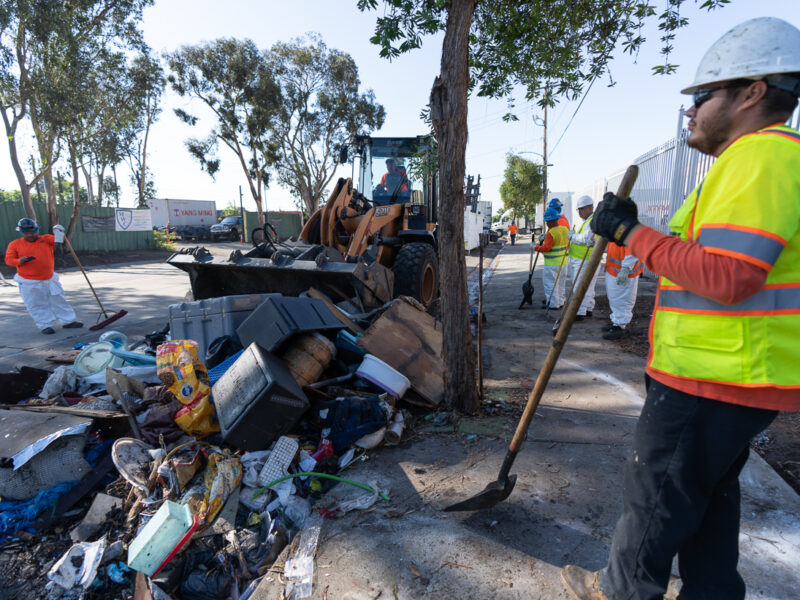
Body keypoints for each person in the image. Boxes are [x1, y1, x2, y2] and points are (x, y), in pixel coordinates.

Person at [562, 17, 800, 600]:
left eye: (701, 95)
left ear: (752, 92)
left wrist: (627, 231)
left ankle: (618, 592)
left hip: (712, 376)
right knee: (708, 501)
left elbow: (728, 275)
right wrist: (631, 233)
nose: (690, 110)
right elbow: (710, 259)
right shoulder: (755, 162)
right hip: (732, 374)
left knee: (656, 501)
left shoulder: (764, 158)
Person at [5, 218, 83, 334]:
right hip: (28, 281)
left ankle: (68, 321)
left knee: (59, 300)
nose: (30, 235)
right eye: (27, 233)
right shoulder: (15, 244)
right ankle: (45, 325)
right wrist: (19, 261)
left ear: (37, 230)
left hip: (49, 278)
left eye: (33, 232)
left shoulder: (45, 239)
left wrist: (58, 230)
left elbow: (59, 239)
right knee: (36, 304)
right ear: (22, 233)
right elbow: (8, 260)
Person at [602, 242, 643, 340]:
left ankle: (620, 325)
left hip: (624, 270)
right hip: (614, 269)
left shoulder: (627, 229)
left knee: (623, 298)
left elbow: (633, 248)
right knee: (614, 297)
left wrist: (626, 268)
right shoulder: (617, 228)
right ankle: (616, 321)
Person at [566, 195, 598, 320]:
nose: (579, 212)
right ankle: (588, 308)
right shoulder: (588, 220)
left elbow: (586, 239)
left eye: (582, 209)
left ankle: (579, 312)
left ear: (590, 208)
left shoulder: (591, 221)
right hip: (582, 259)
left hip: (584, 260)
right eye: (578, 210)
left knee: (581, 286)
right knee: (588, 286)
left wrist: (572, 237)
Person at [535, 207, 568, 309]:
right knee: (561, 284)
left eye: (547, 222)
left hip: (552, 264)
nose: (546, 224)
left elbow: (546, 248)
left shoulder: (551, 232)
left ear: (550, 221)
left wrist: (535, 247)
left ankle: (553, 304)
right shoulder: (565, 229)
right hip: (564, 262)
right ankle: (561, 302)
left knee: (551, 285)